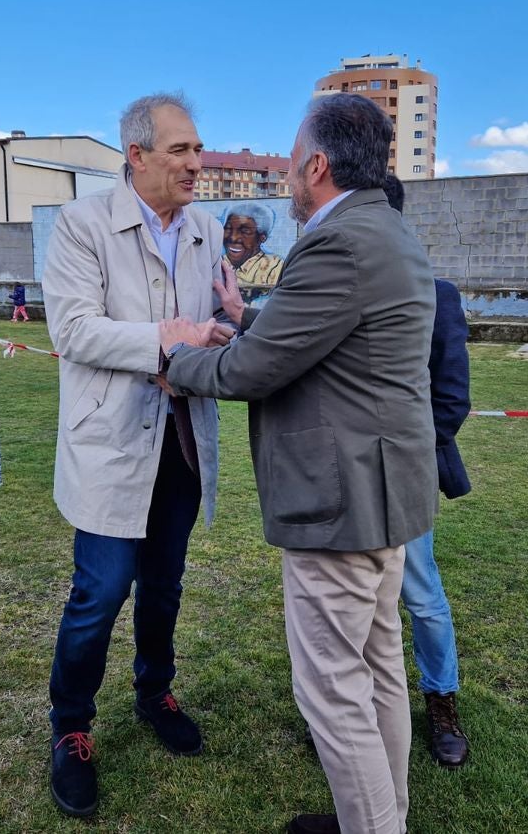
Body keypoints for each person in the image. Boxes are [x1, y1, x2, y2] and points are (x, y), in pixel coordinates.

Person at [161, 94, 438, 834]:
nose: (284, 174)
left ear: (316, 165)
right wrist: (246, 317)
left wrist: (176, 360)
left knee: (334, 693)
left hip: (341, 505)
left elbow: (253, 372)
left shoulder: (336, 242)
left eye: (290, 159)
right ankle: (383, 823)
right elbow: (331, 334)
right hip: (382, 500)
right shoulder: (381, 229)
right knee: (376, 675)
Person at [40, 92, 234, 819]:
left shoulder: (206, 228)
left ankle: (154, 692)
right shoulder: (83, 224)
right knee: (100, 592)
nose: (196, 162)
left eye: (196, 148)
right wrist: (164, 340)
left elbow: (214, 319)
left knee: (164, 584)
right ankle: (71, 729)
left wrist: (205, 339)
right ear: (138, 155)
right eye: (180, 150)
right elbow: (76, 330)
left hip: (180, 441)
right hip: (112, 442)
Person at [382, 173, 473, 769]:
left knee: (421, 594)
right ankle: (357, 712)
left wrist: (414, 453)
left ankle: (441, 698)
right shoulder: (332, 288)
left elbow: (452, 395)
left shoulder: (435, 295)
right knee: (357, 605)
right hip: (347, 481)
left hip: (406, 475)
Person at [222, 202, 284, 291]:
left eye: (245, 231)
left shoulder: (275, 267)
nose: (233, 237)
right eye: (228, 229)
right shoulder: (216, 262)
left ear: (262, 238)